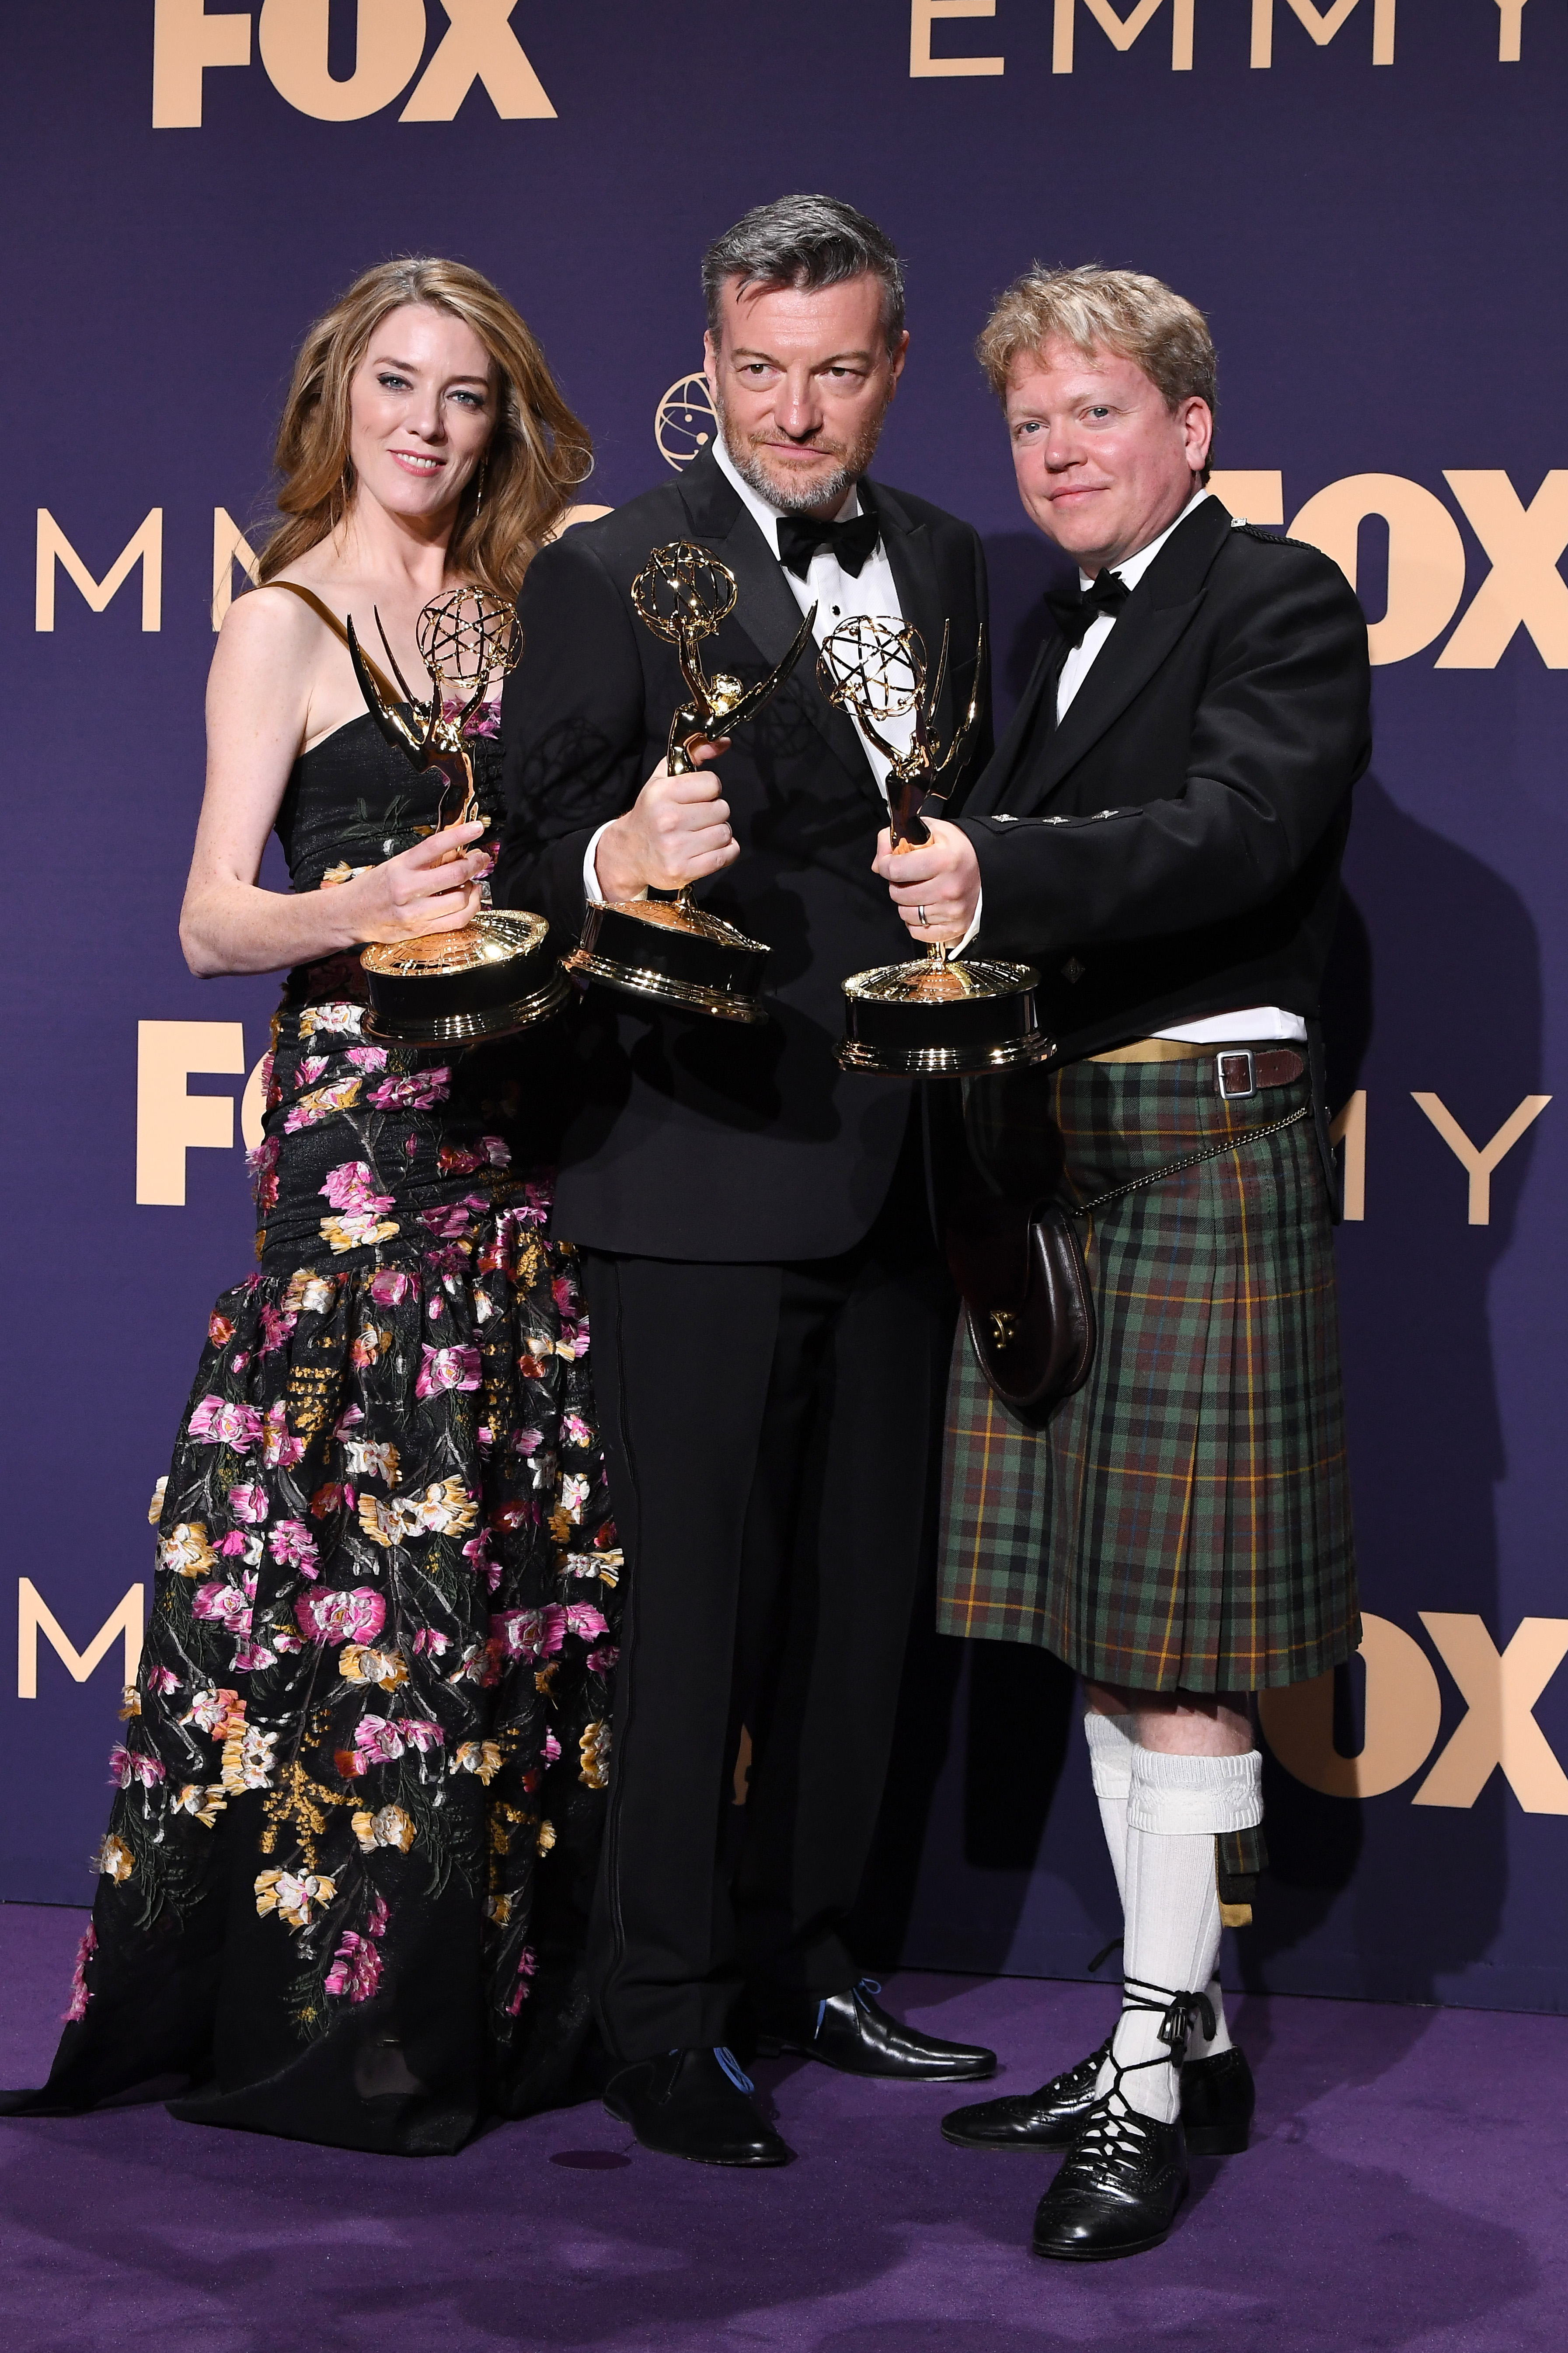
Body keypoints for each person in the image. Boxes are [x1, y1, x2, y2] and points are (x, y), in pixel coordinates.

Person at [3, 258, 616, 2154]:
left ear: (504, 420)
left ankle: (505, 1985)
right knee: (365, 1539)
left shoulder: (532, 612)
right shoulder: (282, 624)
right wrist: (364, 907)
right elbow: (206, 916)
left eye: (466, 397)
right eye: (398, 388)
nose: (428, 426)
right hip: (366, 1140)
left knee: (512, 1536)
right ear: (338, 401)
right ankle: (339, 2009)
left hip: (535, 1125)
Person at [494, 193, 996, 2168]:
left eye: (837, 368)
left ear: (889, 368)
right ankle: (659, 2013)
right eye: (759, 369)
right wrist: (619, 861)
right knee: (695, 1616)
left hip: (899, 1161)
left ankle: (808, 1959)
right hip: (694, 1168)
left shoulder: (952, 557)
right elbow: (523, 861)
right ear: (707, 368)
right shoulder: (611, 569)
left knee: (859, 1609)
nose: (797, 408)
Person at [878, 267, 1367, 2258]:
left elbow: (1243, 827)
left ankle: (1154, 2072)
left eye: (1094, 413)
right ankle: (1184, 2031)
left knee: (1176, 1652)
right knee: (1109, 1621)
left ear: (1192, 429)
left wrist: (1004, 869)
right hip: (1049, 1147)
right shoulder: (1037, 635)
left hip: (1196, 1141)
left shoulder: (1278, 598)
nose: (1059, 451)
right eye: (1029, 426)